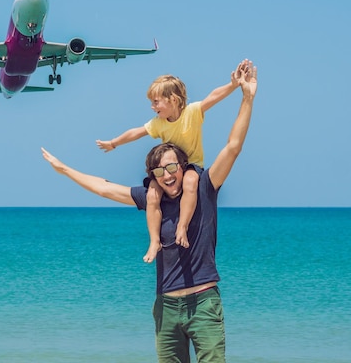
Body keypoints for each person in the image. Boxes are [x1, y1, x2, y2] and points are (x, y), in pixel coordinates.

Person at [41, 61, 258, 363]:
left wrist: (247, 97)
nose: (167, 176)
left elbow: (233, 147)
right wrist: (65, 169)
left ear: (183, 167)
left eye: (172, 168)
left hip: (204, 305)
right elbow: (104, 188)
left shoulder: (204, 186)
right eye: (159, 172)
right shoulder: (152, 197)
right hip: (166, 308)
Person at [96, 60, 249, 263]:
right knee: (152, 195)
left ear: (173, 100)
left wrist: (233, 85)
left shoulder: (192, 112)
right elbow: (137, 132)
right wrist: (114, 143)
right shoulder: (158, 124)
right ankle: (153, 241)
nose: (152, 107)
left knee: (190, 183)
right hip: (167, 169)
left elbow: (213, 97)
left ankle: (182, 227)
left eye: (156, 102)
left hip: (191, 165)